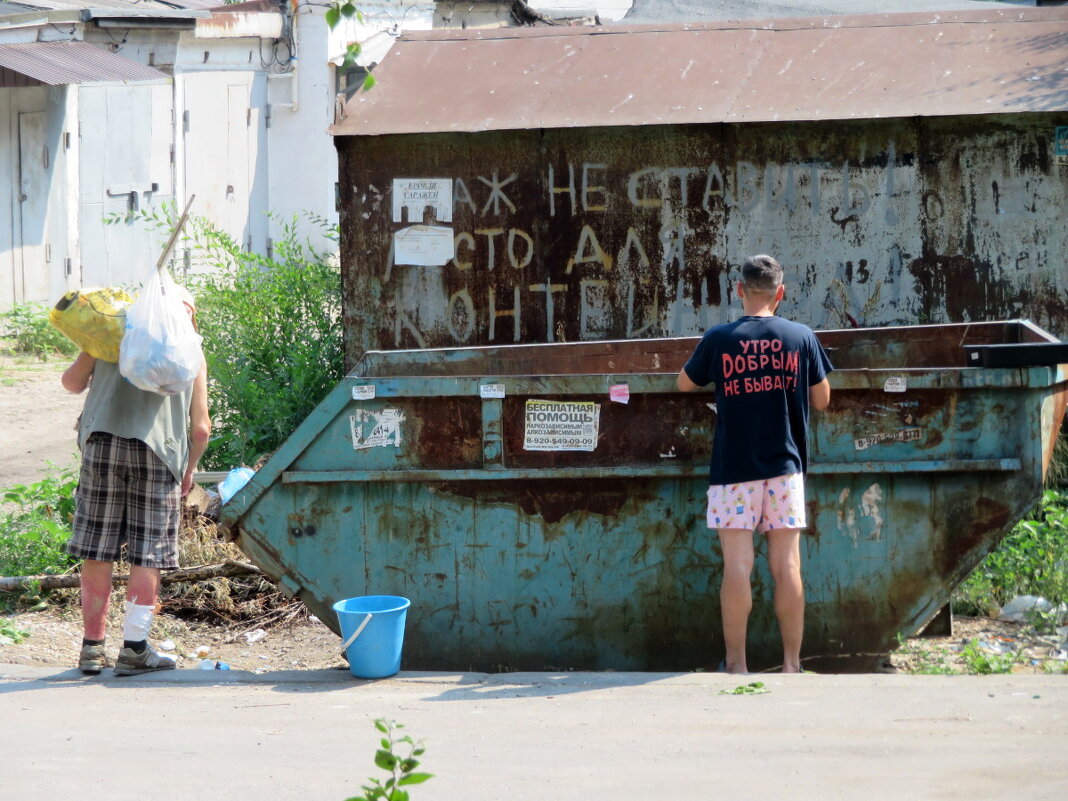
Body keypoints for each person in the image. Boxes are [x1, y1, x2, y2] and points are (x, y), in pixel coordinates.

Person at [678, 255, 832, 674]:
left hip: (733, 471)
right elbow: (822, 399)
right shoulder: (801, 337)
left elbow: (684, 382)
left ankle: (736, 665)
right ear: (780, 294)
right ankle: (791, 664)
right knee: (786, 565)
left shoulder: (719, 338)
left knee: (738, 567)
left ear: (739, 290)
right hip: (785, 468)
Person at [62, 285, 210, 676]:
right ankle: (135, 649)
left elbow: (71, 384)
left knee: (98, 550)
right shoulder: (191, 353)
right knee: (149, 553)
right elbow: (201, 429)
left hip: (102, 446)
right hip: (159, 454)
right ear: (188, 316)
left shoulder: (112, 335)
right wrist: (189, 469)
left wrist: (92, 353)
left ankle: (92, 648)